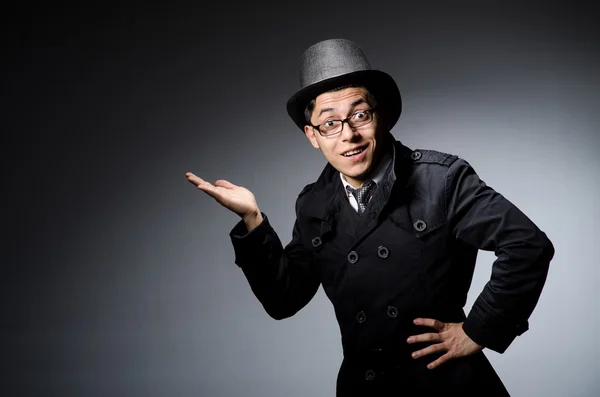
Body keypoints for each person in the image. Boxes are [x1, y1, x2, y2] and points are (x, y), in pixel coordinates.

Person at [185, 38, 554, 396]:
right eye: (330, 123)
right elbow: (284, 299)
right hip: (365, 386)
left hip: (446, 381)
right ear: (312, 135)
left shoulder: (441, 179)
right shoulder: (314, 204)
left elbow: (527, 245)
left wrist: (479, 330)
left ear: (380, 117)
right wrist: (252, 220)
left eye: (359, 115)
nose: (349, 135)